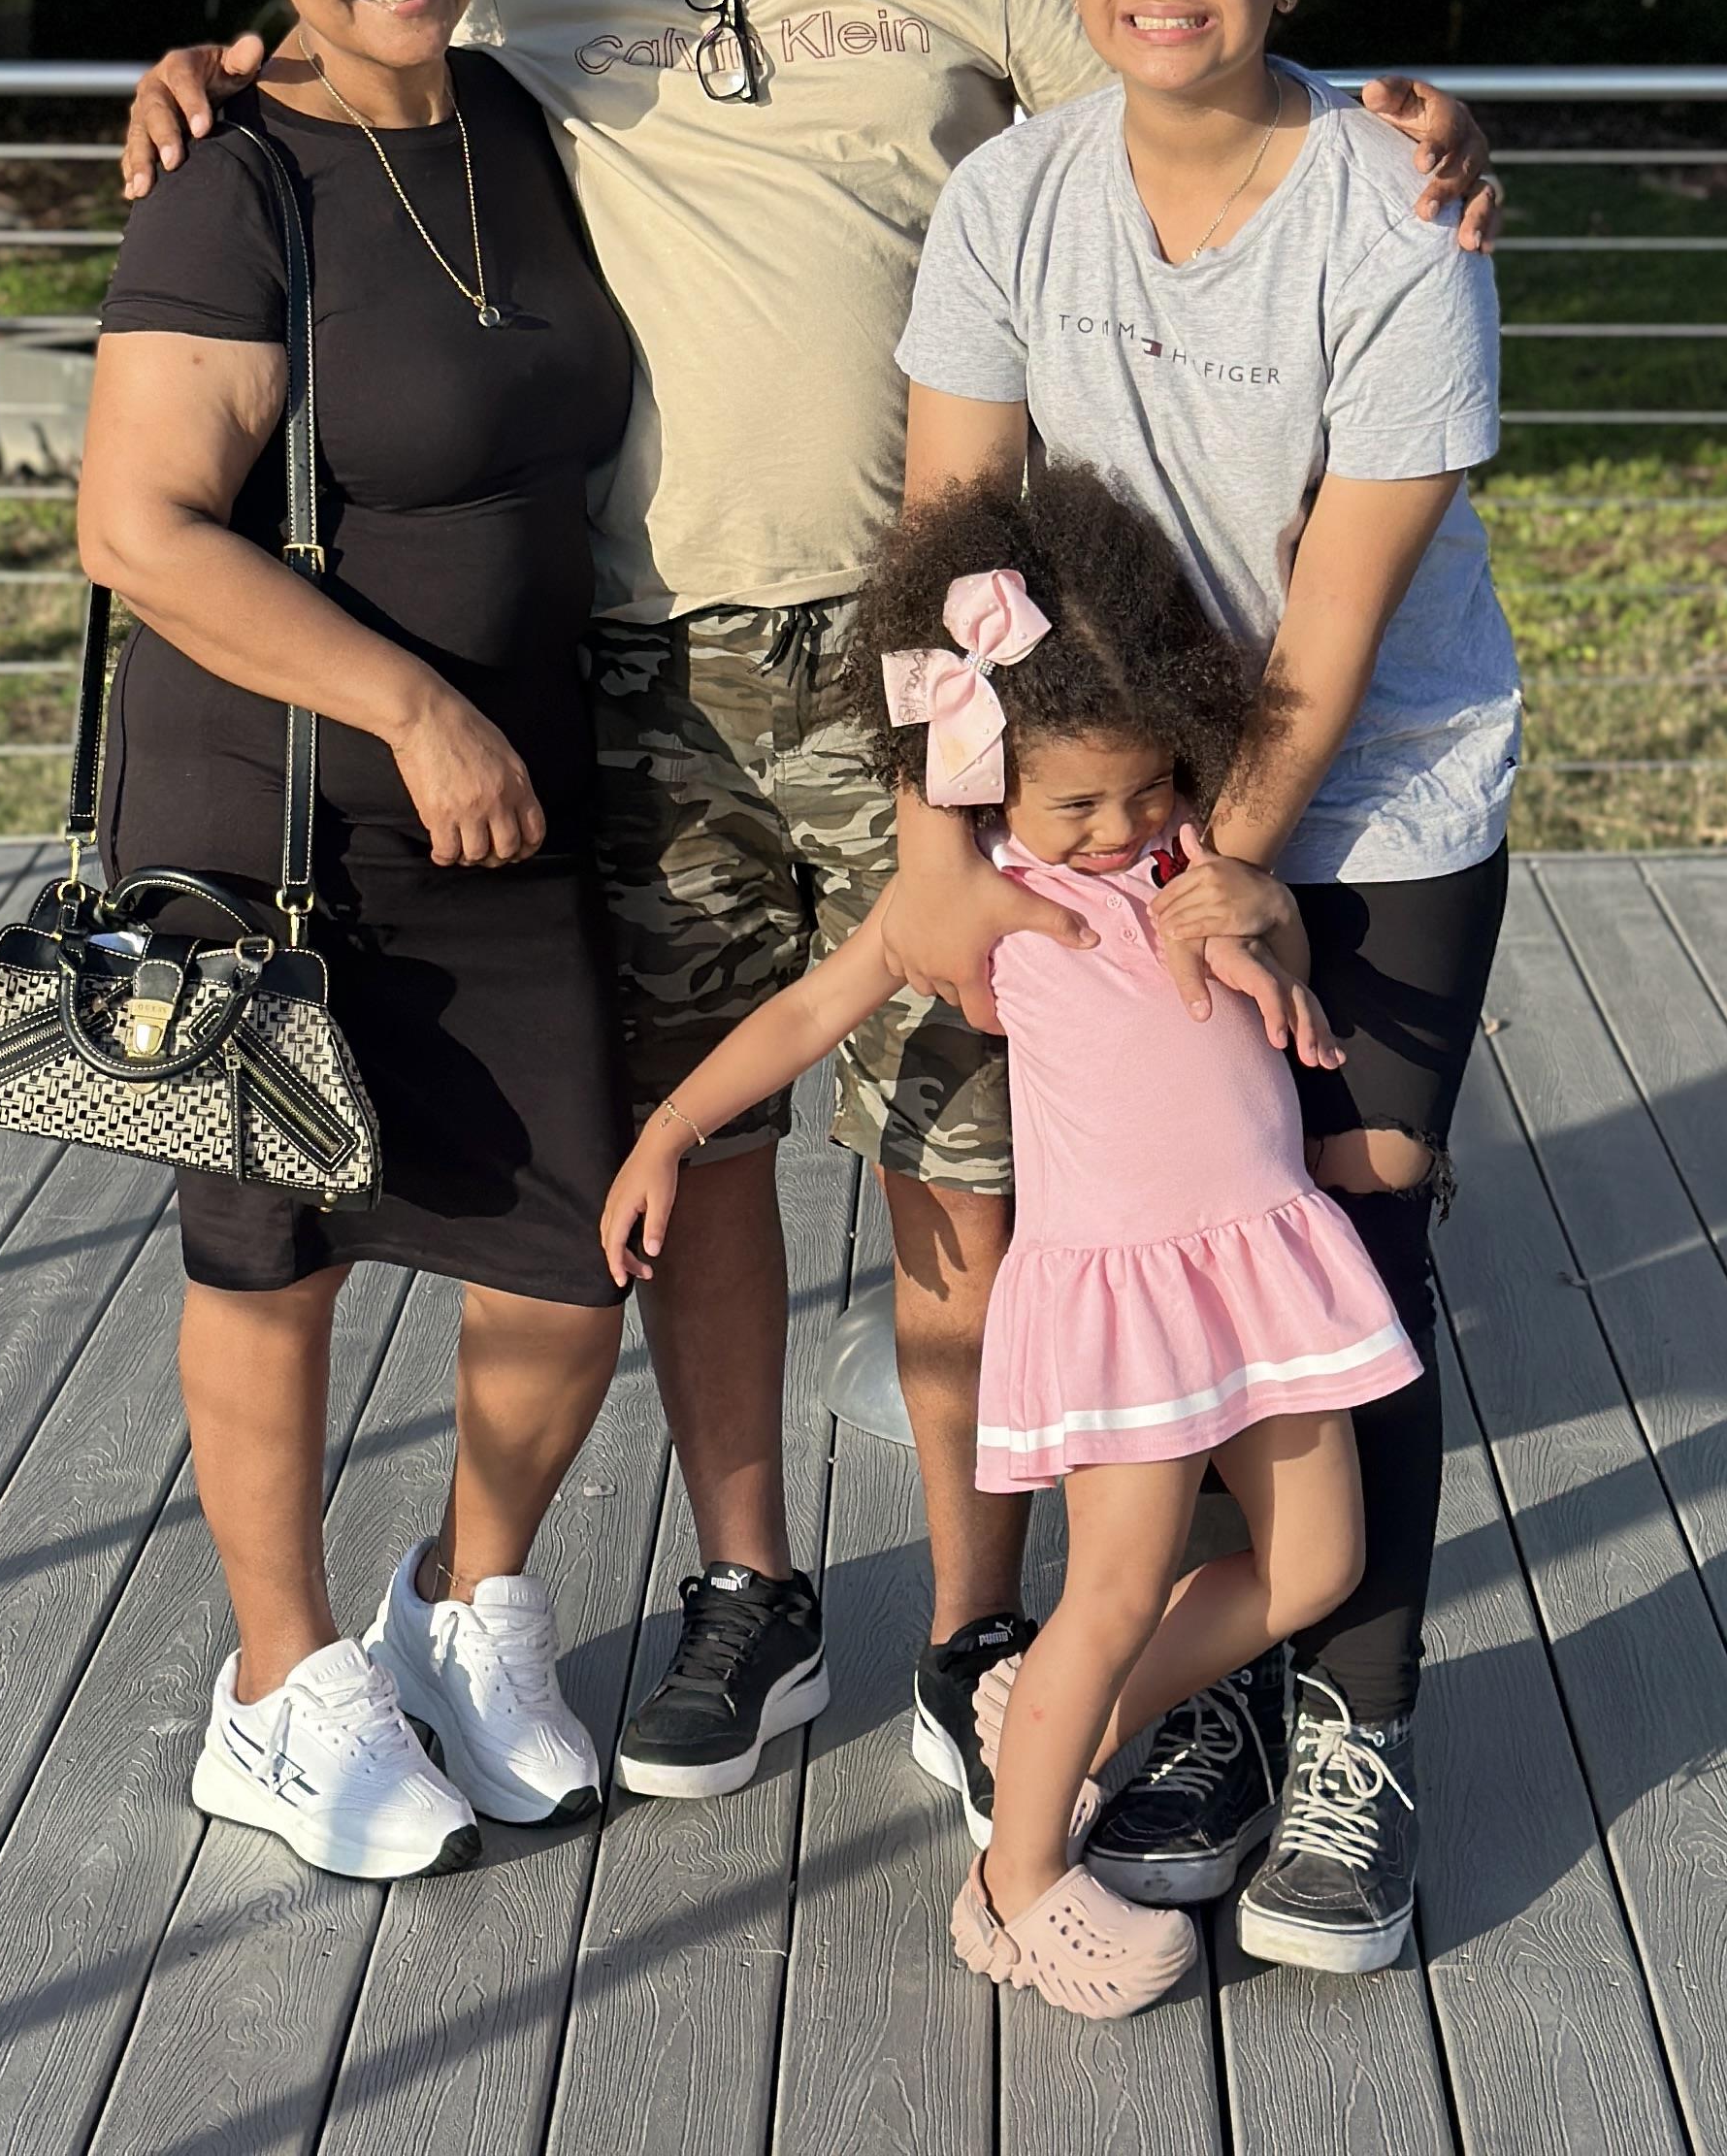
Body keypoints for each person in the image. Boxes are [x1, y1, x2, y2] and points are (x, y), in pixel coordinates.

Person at [118, 0, 1496, 1819]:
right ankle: (751, 1582)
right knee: (714, 1149)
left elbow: (1182, 52)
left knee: (971, 1154)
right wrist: (203, 72)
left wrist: (1399, 128)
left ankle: (977, 1617)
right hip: (637, 659)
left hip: (928, 660)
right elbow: (346, 34)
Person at [889, 0, 1518, 1973]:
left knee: (1357, 1236)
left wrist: (1228, 869)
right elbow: (949, 557)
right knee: (1170, 1242)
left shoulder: (1393, 211)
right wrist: (939, 844)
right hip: (1118, 820)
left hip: (1374, 803)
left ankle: (1356, 1731)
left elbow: (1332, 625)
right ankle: (1198, 1698)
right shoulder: (1011, 200)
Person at [601, 466, 1420, 2020]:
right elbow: (804, 1014)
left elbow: (1270, 952)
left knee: (1320, 1559)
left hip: (1258, 1263)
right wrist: (665, 1134)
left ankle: (1069, 1722)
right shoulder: (987, 907)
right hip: (1123, 1299)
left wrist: (1278, 949)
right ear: (994, 790)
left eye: (1147, 791)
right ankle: (1015, 1882)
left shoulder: (1194, 862)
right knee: (1106, 1590)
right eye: (1076, 807)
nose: (1120, 829)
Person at [78, 0, 637, 1884]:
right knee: (273, 1250)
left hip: (521, 782)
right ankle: (281, 1686)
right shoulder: (233, 183)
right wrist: (413, 707)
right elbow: (138, 526)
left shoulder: (517, 117)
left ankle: (466, 1608)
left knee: (573, 1252)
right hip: (286, 799)